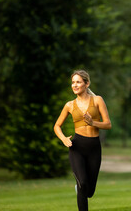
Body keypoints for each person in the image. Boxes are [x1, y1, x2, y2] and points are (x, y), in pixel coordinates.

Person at [54, 70, 112, 211]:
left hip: (94, 148)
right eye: (73, 82)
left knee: (89, 191)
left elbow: (108, 124)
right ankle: (80, 189)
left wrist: (93, 123)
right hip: (77, 147)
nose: (75, 85)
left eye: (78, 82)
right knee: (82, 184)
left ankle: (82, 189)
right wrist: (63, 138)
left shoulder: (97, 100)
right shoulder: (69, 105)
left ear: (87, 84)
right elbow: (57, 126)